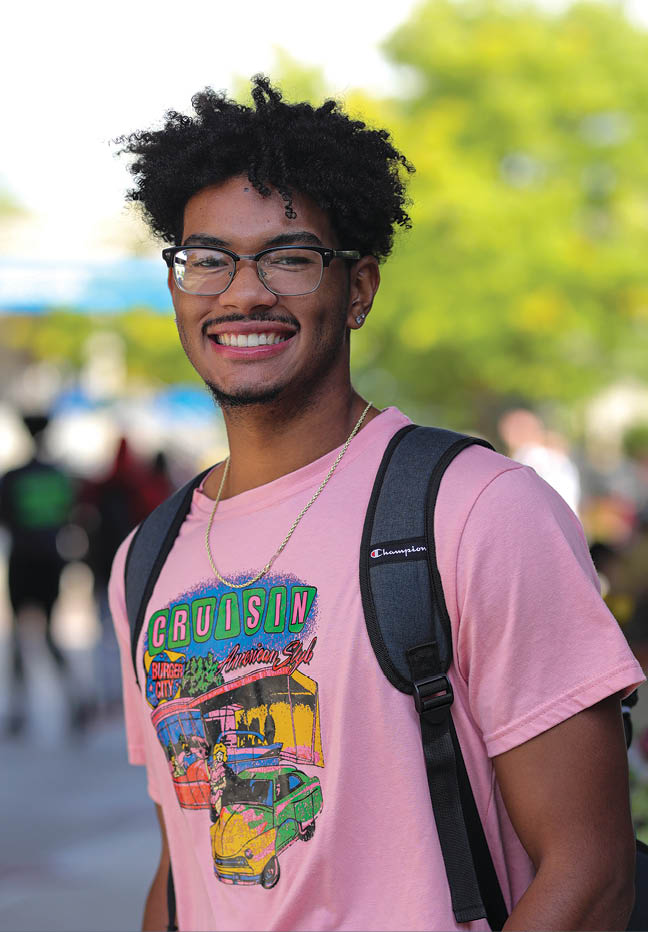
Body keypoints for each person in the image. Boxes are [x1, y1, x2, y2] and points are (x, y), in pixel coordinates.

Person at [109, 76, 645, 931]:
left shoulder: (478, 512)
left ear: (358, 289)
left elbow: (590, 876)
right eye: (207, 258)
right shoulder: (147, 558)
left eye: (288, 257)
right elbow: (187, 869)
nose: (242, 293)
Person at [0, 414, 81, 735]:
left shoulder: (13, 476)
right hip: (51, 559)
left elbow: (5, 517)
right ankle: (74, 701)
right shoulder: (58, 476)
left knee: (20, 634)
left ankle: (19, 710)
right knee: (50, 634)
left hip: (23, 560)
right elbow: (70, 516)